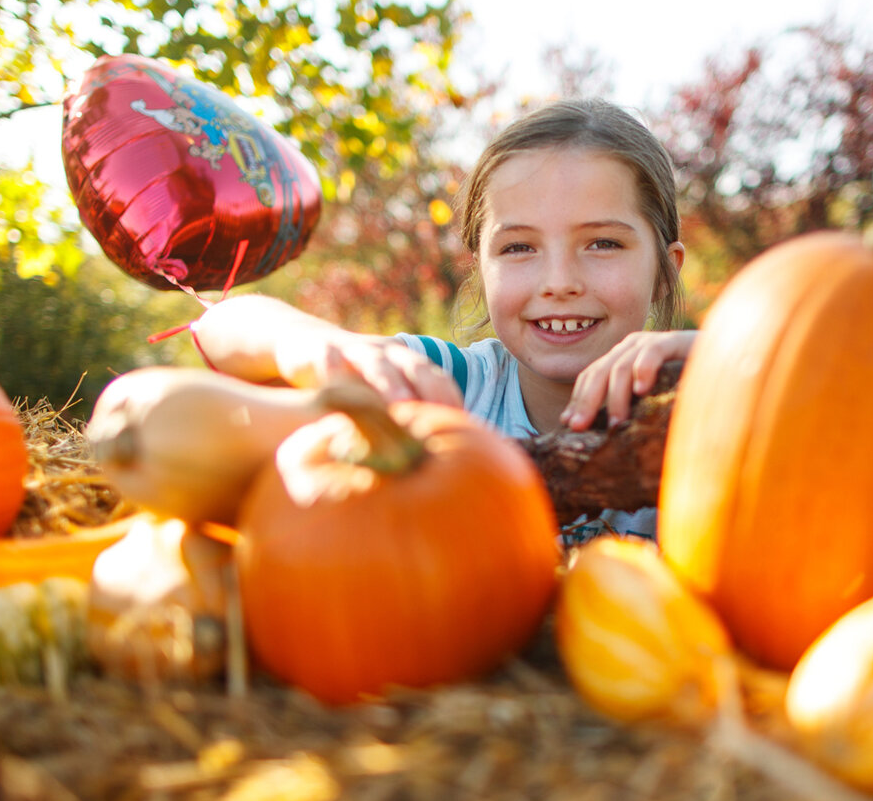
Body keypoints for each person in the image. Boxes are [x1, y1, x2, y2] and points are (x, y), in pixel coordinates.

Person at [192, 97, 695, 541]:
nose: (559, 281)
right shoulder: (445, 388)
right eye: (519, 247)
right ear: (481, 268)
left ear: (663, 271)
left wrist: (724, 363)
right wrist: (310, 346)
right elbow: (223, 323)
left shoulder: (704, 407)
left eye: (603, 243)